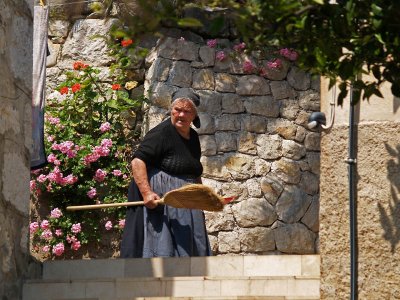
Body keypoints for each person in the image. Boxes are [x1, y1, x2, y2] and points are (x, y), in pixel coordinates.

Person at [120, 88, 212, 258]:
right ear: (171, 110)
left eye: (187, 111)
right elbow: (138, 161)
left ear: (194, 116)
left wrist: (203, 197)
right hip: (164, 202)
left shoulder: (193, 137)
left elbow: (193, 170)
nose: (181, 115)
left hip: (187, 201)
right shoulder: (161, 133)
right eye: (177, 110)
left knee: (191, 244)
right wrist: (146, 193)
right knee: (166, 246)